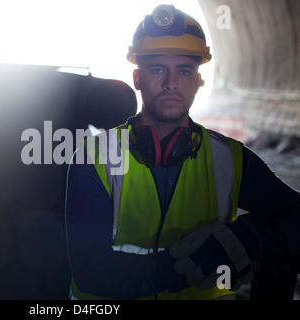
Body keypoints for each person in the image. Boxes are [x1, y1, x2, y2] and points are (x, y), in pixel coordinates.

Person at [64, 4, 300, 300]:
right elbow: (92, 272)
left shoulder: (229, 159)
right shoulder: (94, 158)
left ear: (199, 81)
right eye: (158, 69)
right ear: (138, 79)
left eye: (185, 70)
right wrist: (186, 265)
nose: (171, 83)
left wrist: (254, 237)